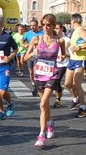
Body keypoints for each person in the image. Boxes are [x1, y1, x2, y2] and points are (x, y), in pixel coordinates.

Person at [23, 14, 66, 147]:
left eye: (49, 25)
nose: (46, 27)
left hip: (52, 75)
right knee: (45, 104)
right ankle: (49, 123)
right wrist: (32, 53)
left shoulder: (59, 41)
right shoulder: (36, 39)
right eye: (44, 25)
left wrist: (61, 57)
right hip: (38, 75)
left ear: (53, 26)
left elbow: (63, 55)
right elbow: (25, 58)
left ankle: (41, 135)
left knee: (42, 105)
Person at [64, 13, 86, 118]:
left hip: (80, 60)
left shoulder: (81, 30)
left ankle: (83, 107)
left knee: (77, 84)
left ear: (73, 21)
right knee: (67, 83)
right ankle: (75, 99)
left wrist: (79, 48)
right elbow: (76, 43)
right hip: (72, 60)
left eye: (71, 21)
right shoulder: (75, 31)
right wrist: (70, 46)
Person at [22, 19, 42, 96]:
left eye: (34, 25)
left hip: (38, 56)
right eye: (31, 25)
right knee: (31, 72)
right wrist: (25, 45)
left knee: (35, 71)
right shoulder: (27, 34)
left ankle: (36, 86)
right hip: (30, 55)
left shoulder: (41, 34)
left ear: (37, 26)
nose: (32, 27)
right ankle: (33, 84)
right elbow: (21, 42)